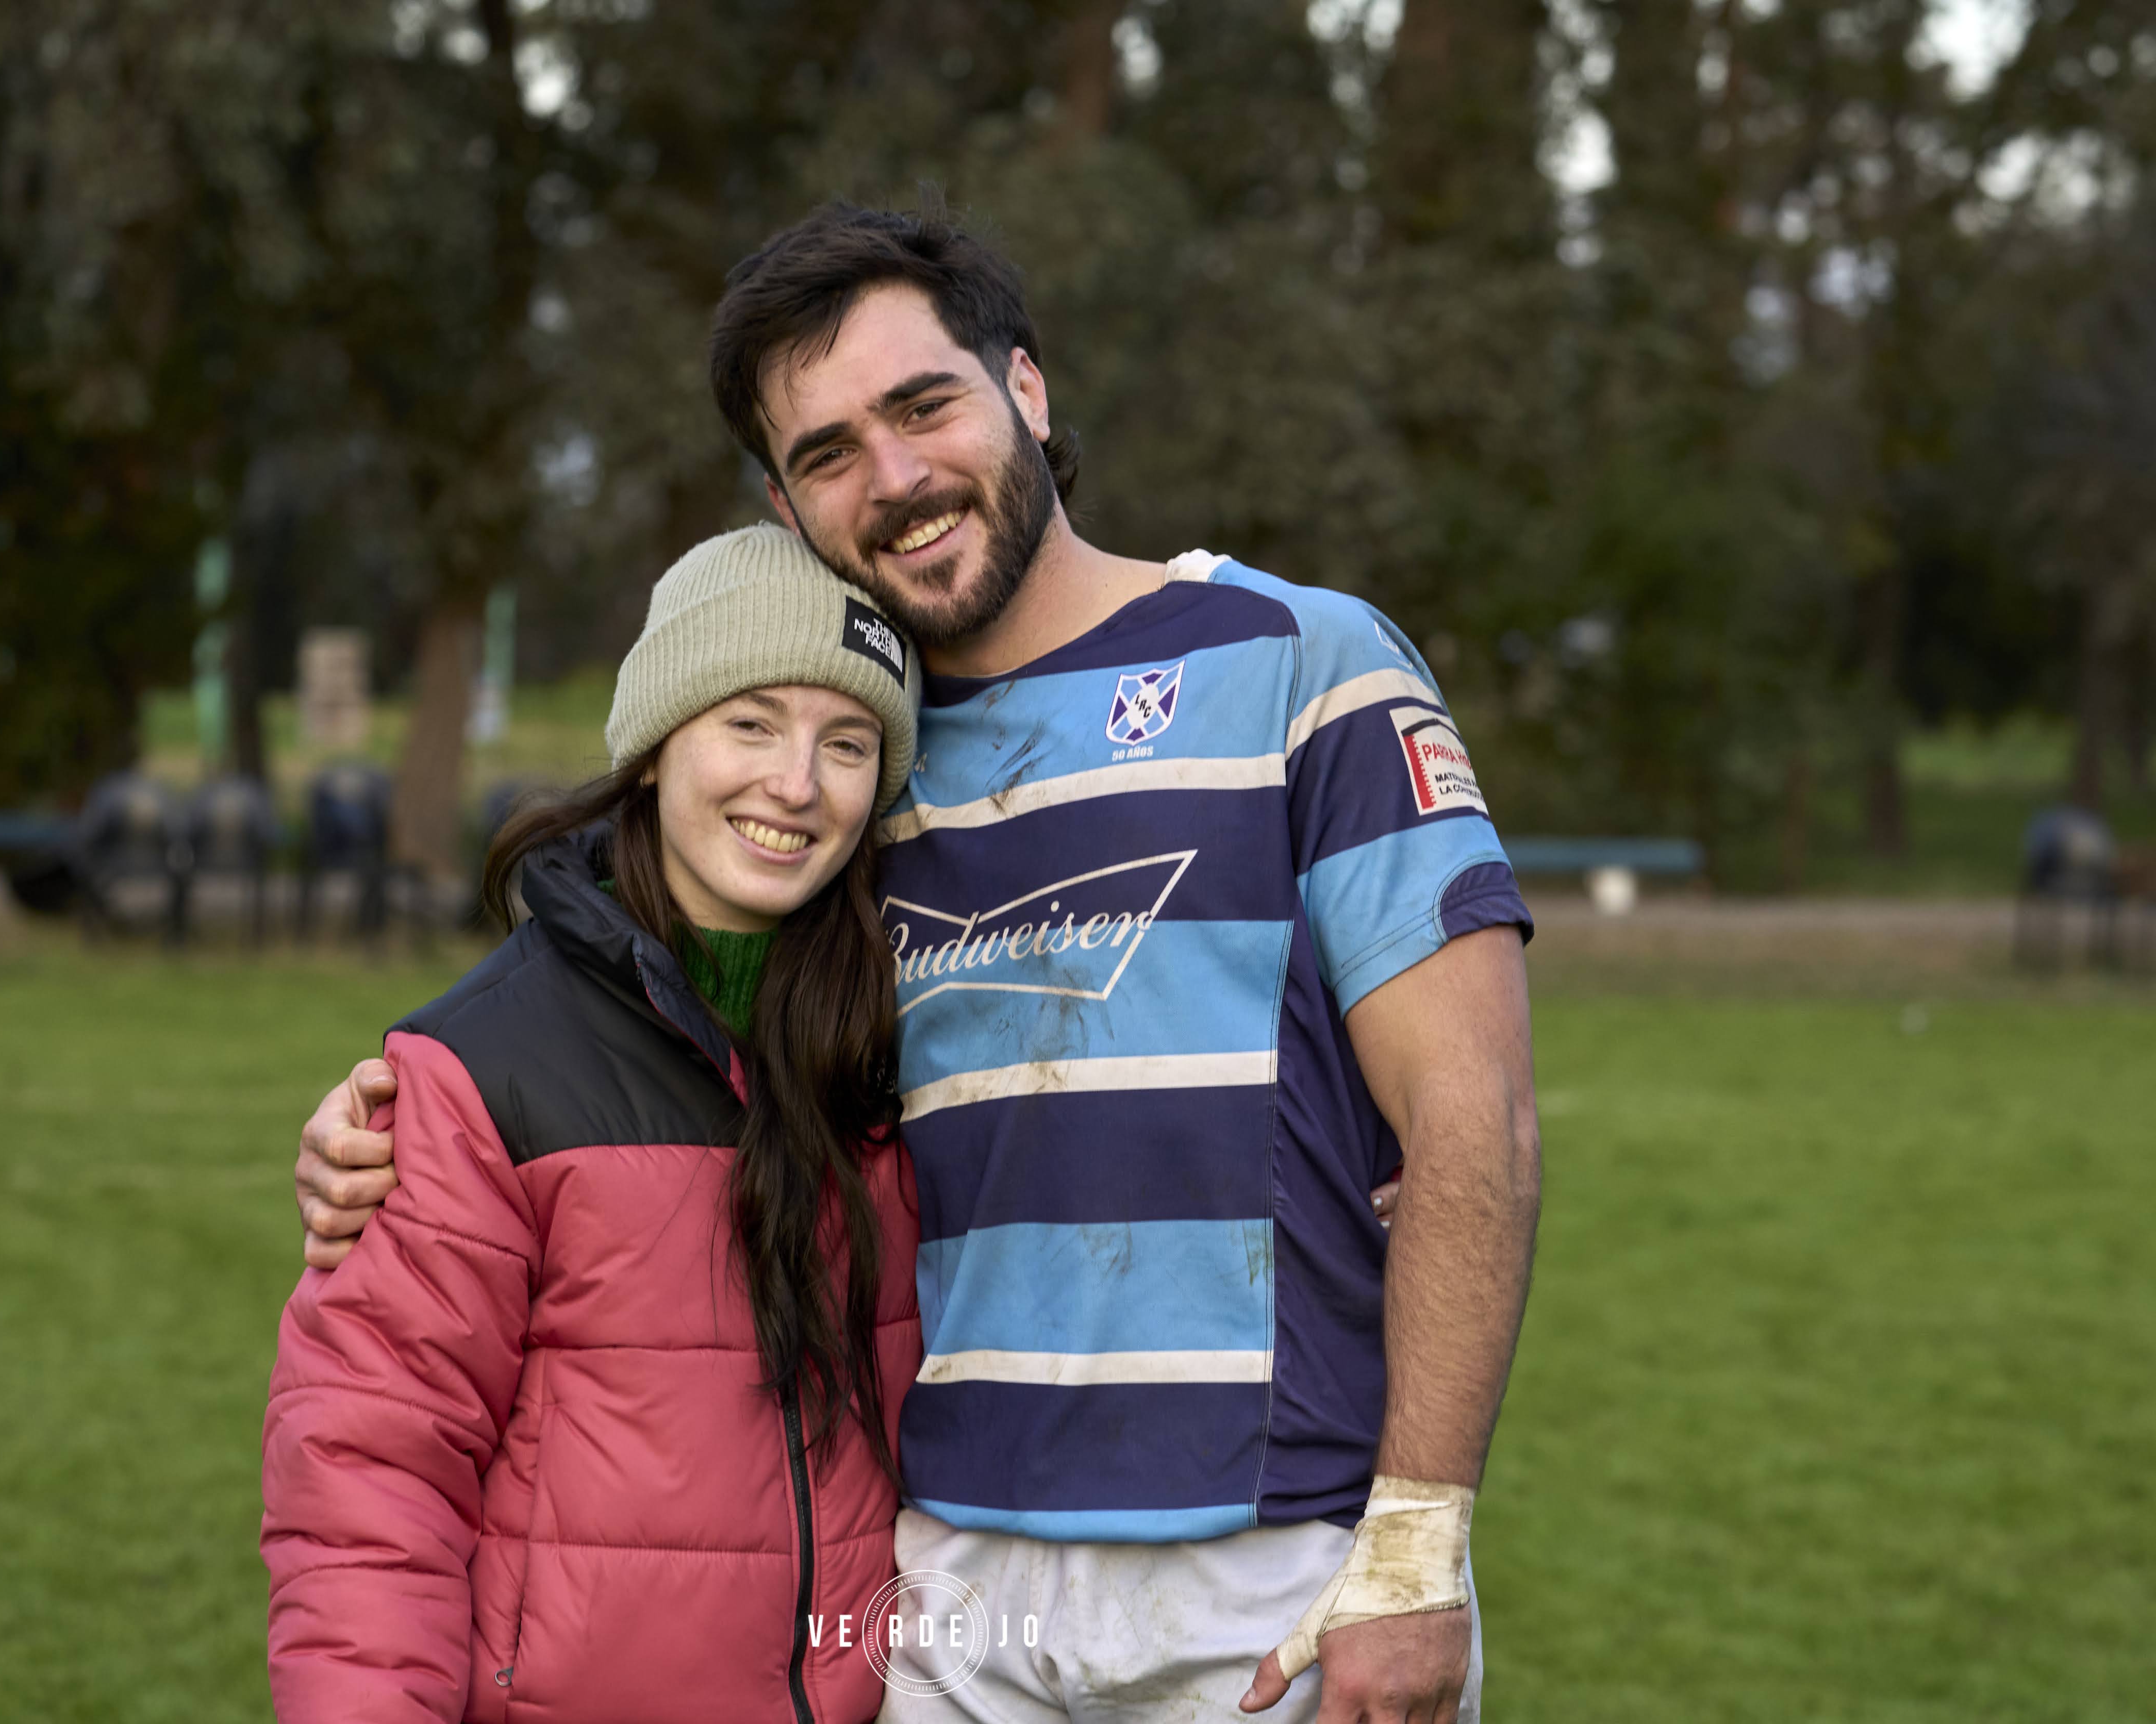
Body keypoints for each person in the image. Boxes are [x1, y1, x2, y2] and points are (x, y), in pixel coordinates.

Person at [295, 201, 1541, 1723]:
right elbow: (673, 1038)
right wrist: (400, 1127)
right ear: (786, 504)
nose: (891, 478)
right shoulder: (840, 779)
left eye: (921, 405)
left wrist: (1416, 1549)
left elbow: (1475, 1126)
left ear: (1024, 390)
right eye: (826, 453)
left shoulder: (1304, 661)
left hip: (1274, 1566)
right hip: (949, 1592)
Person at [261, 524, 927, 1722]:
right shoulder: (485, 1070)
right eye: (750, 723)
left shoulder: (907, 1046)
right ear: (658, 740)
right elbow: (368, 1475)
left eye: (846, 742)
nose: (795, 783)